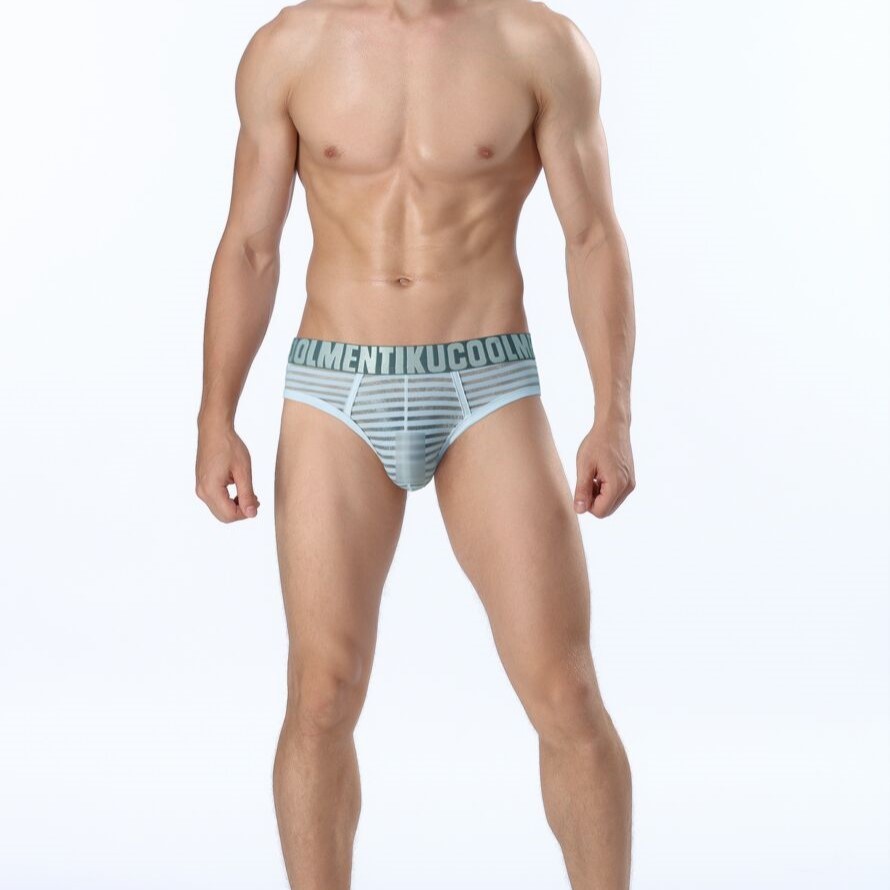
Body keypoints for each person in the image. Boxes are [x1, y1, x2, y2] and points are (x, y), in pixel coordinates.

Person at [195, 0, 636, 887]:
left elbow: (590, 235)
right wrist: (216, 416)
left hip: (487, 381)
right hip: (336, 385)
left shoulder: (537, 43)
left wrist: (612, 415)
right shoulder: (291, 47)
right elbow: (249, 245)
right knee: (321, 694)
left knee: (566, 692)